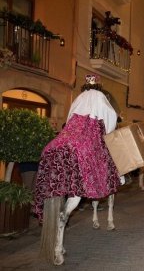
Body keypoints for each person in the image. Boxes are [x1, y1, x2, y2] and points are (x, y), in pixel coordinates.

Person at [33, 74, 120, 220]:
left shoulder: (79, 97)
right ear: (99, 86)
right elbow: (111, 115)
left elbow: (69, 118)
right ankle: (112, 181)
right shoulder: (100, 96)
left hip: (69, 134)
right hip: (89, 136)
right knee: (109, 164)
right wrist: (108, 133)